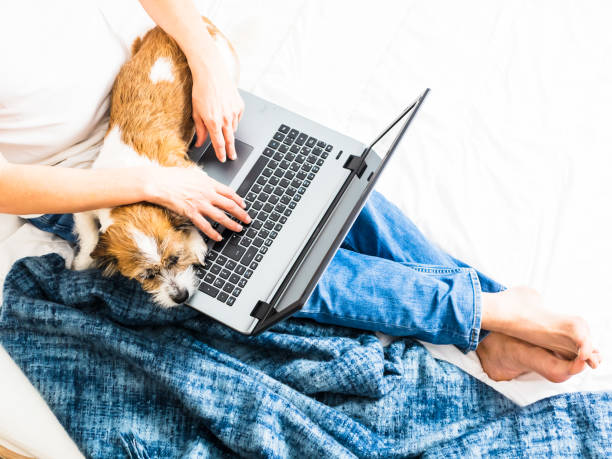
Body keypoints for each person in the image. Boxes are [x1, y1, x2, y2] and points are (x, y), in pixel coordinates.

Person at [0, 0, 600, 384]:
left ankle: (489, 333)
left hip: (162, 92)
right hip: (84, 182)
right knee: (269, 264)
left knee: (325, 185)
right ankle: (486, 312)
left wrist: (205, 63)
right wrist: (153, 182)